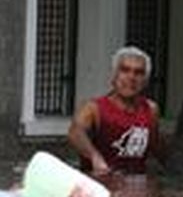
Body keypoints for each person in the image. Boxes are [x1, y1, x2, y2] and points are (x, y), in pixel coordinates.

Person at [68, 46, 165, 175]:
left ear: (145, 81)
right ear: (114, 76)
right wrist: (95, 157)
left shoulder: (151, 109)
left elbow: (156, 146)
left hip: (137, 186)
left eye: (138, 72)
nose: (131, 77)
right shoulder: (93, 108)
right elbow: (75, 132)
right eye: (125, 70)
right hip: (100, 185)